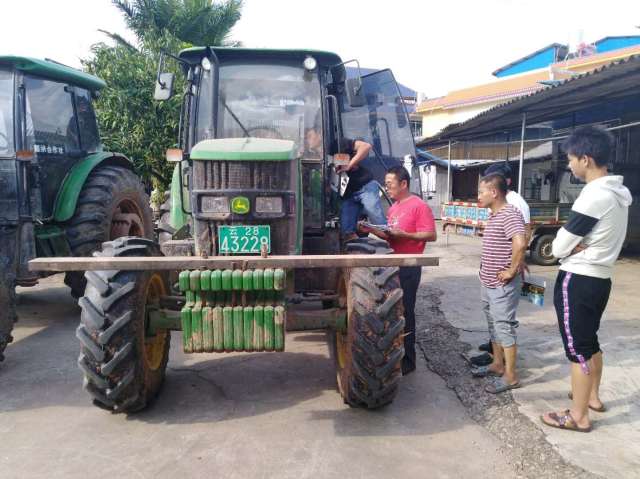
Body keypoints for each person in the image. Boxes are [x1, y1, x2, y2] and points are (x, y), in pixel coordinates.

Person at [541, 126, 631, 433]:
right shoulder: (619, 194)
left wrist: (566, 244)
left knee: (577, 348)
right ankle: (591, 396)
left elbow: (557, 247)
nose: (569, 165)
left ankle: (578, 416)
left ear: (586, 159)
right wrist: (574, 242)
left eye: (571, 159)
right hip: (601, 279)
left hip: (578, 279)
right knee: (590, 341)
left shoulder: (594, 195)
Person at [359, 165, 436, 375]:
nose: (387, 187)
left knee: (406, 312)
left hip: (409, 266)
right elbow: (391, 236)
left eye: (390, 184)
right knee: (393, 312)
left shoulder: (418, 206)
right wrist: (373, 230)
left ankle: (408, 361)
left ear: (404, 184)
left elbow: (430, 234)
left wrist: (406, 235)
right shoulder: (393, 208)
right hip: (393, 266)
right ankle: (394, 354)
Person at [472, 174, 526, 393]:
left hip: (502, 285)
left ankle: (511, 376)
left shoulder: (509, 213)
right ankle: (497, 364)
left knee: (504, 326)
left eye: (481, 192)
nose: (478, 196)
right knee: (494, 323)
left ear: (494, 192)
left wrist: (512, 270)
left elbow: (520, 243)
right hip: (489, 281)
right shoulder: (495, 215)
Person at [331, 136, 387, 243]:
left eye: (310, 136)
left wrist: (349, 165)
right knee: (347, 232)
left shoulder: (337, 144)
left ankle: (393, 238)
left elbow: (366, 146)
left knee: (377, 219)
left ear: (318, 134)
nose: (308, 141)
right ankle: (355, 251)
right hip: (348, 194)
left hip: (365, 186)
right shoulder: (317, 156)